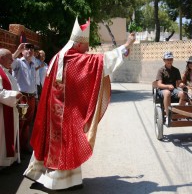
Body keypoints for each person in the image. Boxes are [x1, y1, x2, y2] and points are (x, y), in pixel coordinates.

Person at [23, 17, 136, 190]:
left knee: (59, 142)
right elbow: (102, 62)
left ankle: (56, 178)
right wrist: (127, 45)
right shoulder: (74, 59)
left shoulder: (59, 57)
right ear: (77, 44)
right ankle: (58, 182)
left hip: (53, 111)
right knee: (67, 143)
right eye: (86, 46)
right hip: (64, 113)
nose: (88, 49)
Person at [11, 43, 37, 154]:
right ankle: (16, 149)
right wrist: (17, 49)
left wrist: (36, 96)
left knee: (28, 124)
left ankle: (24, 147)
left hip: (31, 97)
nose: (30, 50)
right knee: (20, 123)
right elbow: (8, 63)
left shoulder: (33, 64)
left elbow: (33, 82)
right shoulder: (18, 62)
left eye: (32, 49)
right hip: (22, 97)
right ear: (22, 51)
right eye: (27, 48)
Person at [0, 48, 22, 167]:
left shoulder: (6, 71)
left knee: (12, 134)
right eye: (10, 58)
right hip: (3, 111)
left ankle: (10, 161)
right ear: (2, 58)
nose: (12, 60)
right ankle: (3, 163)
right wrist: (14, 95)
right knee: (3, 138)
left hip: (11, 107)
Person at [156, 51, 186, 125]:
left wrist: (181, 84)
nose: (169, 61)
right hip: (163, 90)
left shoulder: (176, 70)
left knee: (183, 94)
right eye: (168, 59)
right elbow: (159, 84)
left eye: (171, 59)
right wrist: (167, 86)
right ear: (164, 60)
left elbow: (179, 83)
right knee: (167, 92)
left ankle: (177, 114)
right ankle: (168, 115)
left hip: (173, 90)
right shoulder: (161, 70)